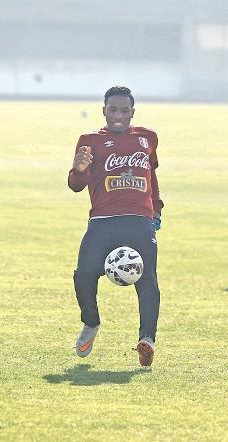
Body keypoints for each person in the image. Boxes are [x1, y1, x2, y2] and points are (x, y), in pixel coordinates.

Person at [67, 86, 163, 367]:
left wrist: (156, 208)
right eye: (113, 110)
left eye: (124, 110)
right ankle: (91, 323)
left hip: (139, 221)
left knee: (148, 281)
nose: (118, 115)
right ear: (104, 111)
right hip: (102, 220)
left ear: (133, 112)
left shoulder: (148, 138)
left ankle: (147, 340)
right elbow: (75, 185)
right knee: (84, 274)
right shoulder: (90, 141)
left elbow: (151, 175)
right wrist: (79, 170)